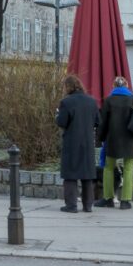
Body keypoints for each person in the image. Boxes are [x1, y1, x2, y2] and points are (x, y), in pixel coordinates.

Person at [96, 76, 133, 210]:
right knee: (129, 168)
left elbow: (103, 123)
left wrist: (99, 139)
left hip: (112, 139)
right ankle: (125, 201)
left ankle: (108, 199)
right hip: (130, 139)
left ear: (113, 86)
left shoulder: (108, 100)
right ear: (126, 86)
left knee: (108, 167)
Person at [55, 75, 99, 213]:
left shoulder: (66, 102)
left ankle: (71, 205)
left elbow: (62, 122)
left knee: (70, 175)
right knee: (87, 175)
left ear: (68, 87)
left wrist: (57, 115)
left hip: (71, 142)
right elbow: (98, 121)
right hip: (87, 142)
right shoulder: (92, 101)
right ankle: (88, 206)